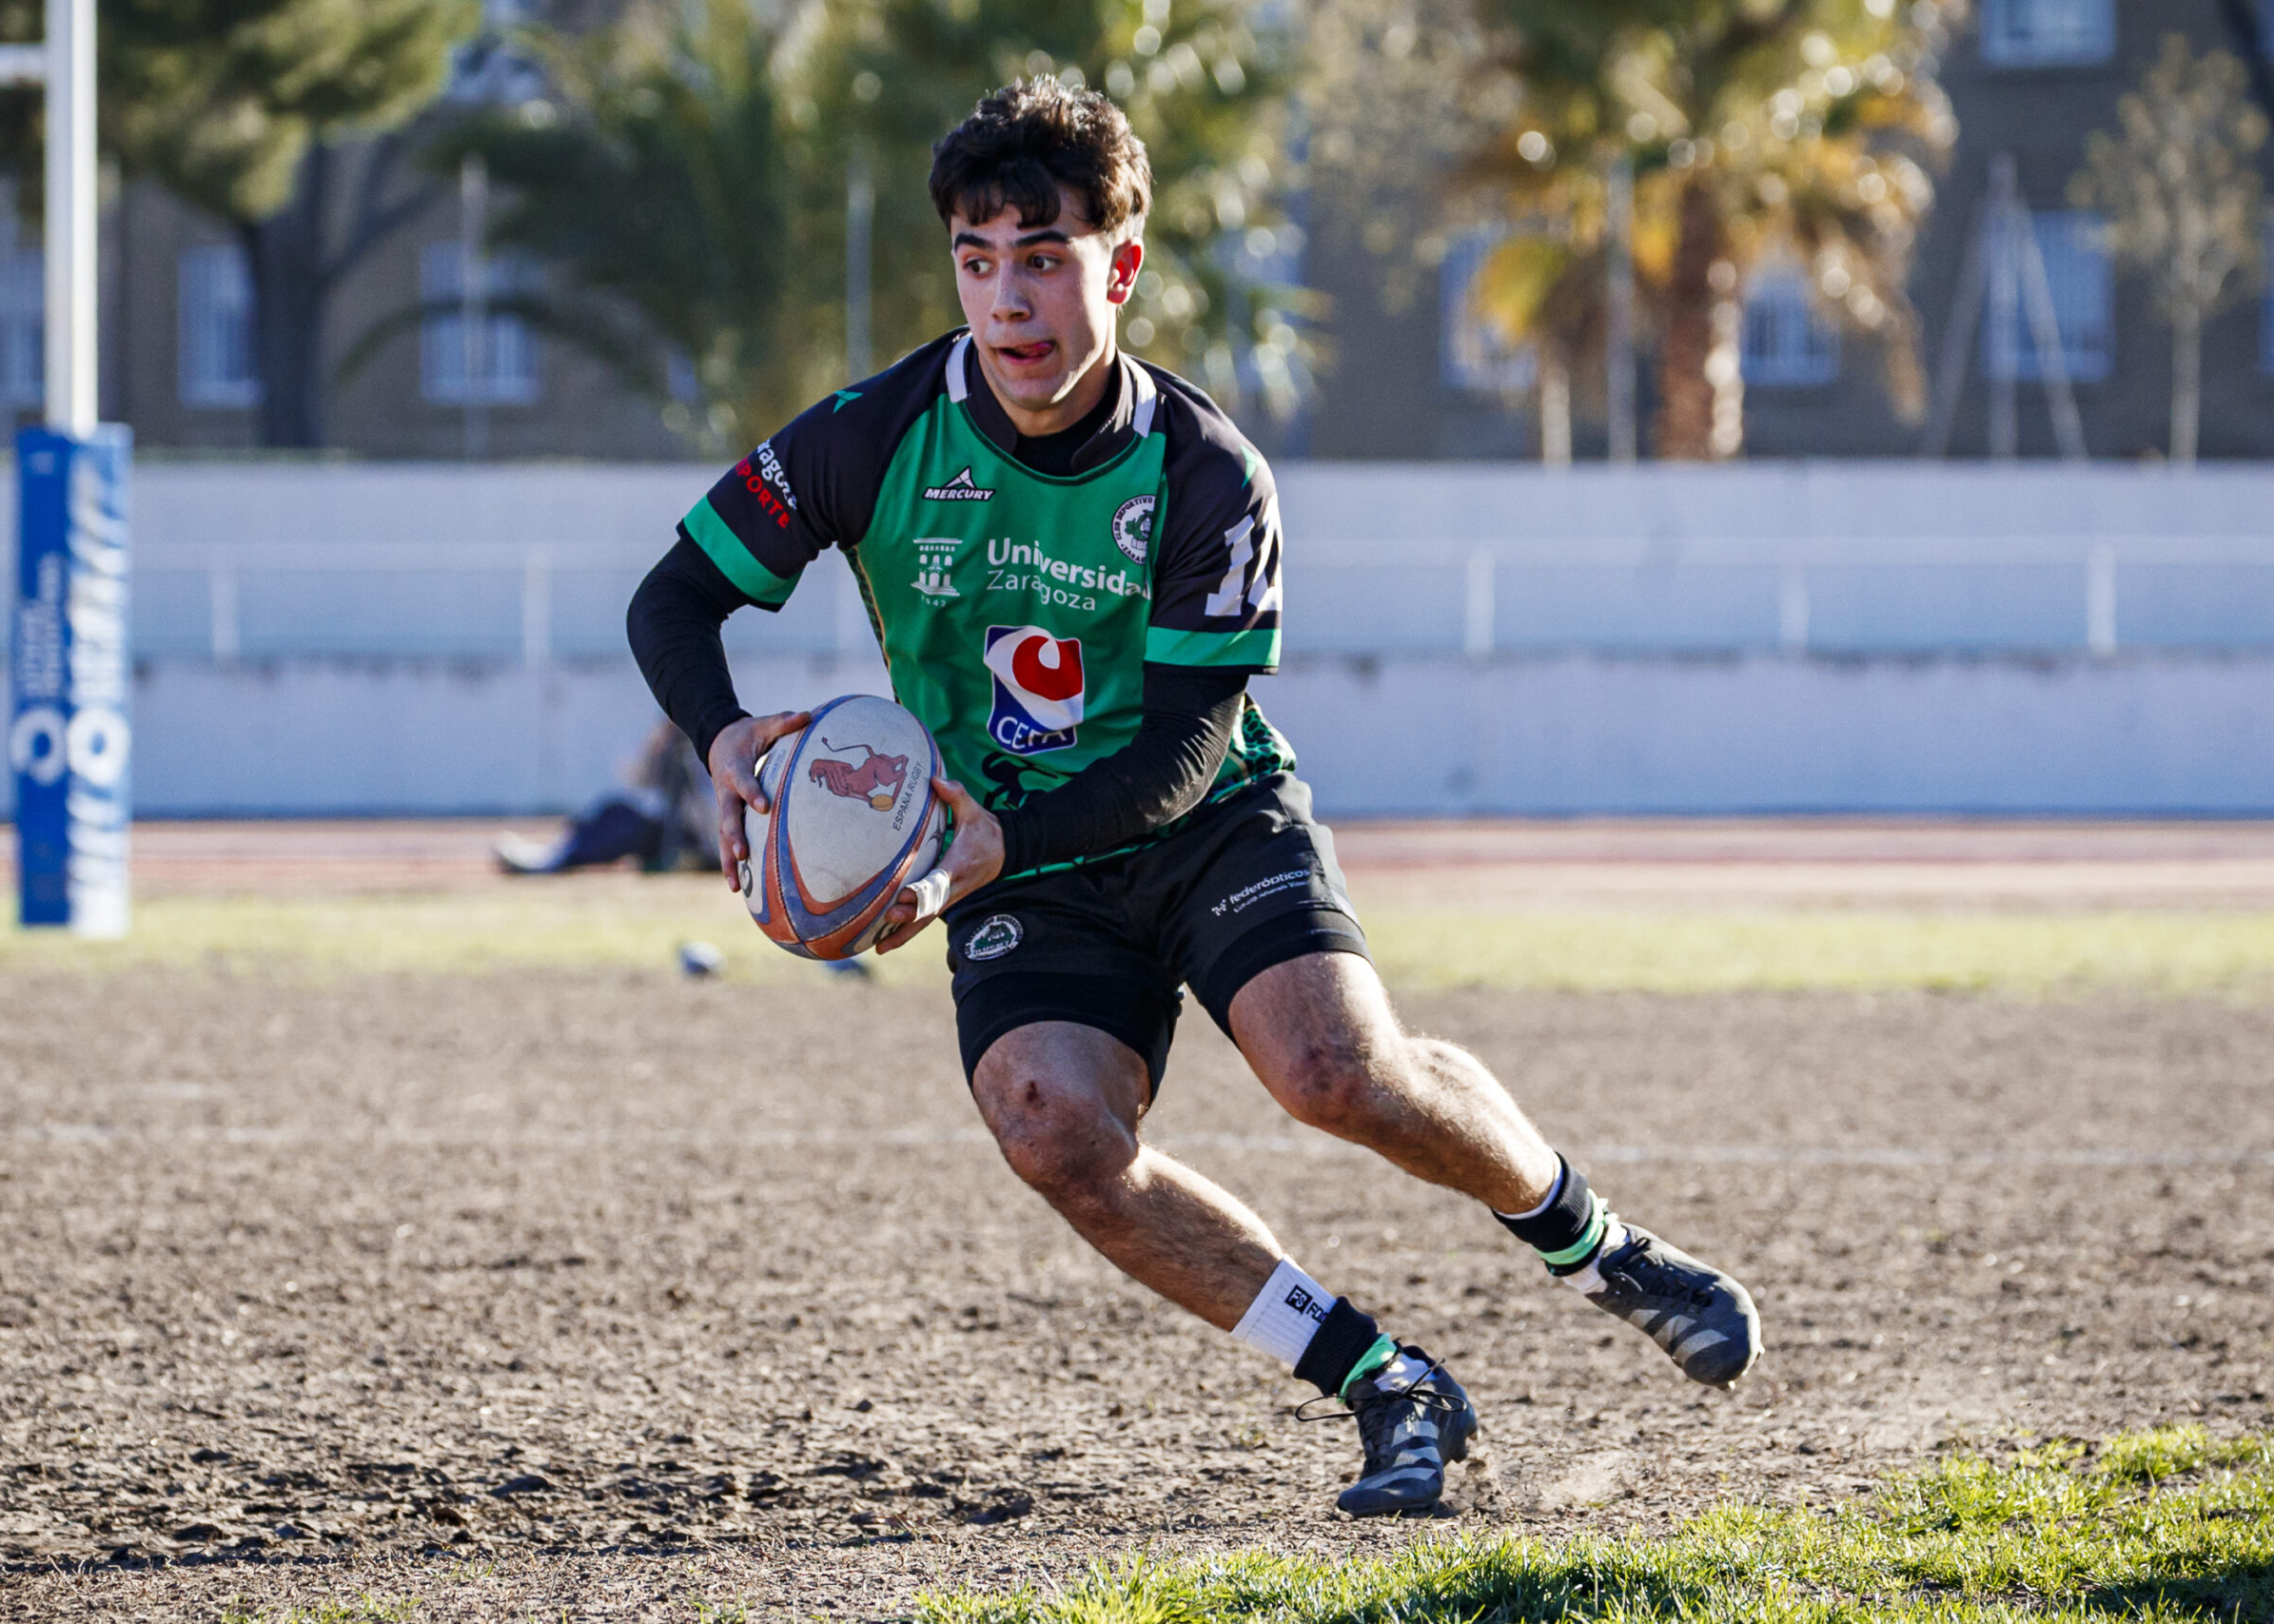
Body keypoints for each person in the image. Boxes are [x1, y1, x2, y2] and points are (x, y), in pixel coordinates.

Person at [628, 78, 1759, 1516]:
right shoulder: (871, 434)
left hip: (1199, 814)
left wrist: (986, 844)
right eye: (976, 261)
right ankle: (1379, 1375)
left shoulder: (1207, 473)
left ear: (1121, 263)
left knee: (1335, 1073)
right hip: (1013, 856)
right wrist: (723, 736)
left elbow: (1172, 754)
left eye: (1042, 257)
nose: (1007, 299)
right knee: (1051, 1125)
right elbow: (676, 595)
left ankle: (1595, 1242)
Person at [494, 719, 720, 875]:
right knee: (616, 811)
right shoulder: (675, 744)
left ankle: (552, 861)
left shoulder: (716, 745)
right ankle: (559, 853)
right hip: (670, 833)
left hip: (697, 841)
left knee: (625, 825)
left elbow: (711, 812)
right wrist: (658, 744)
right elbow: (634, 779)